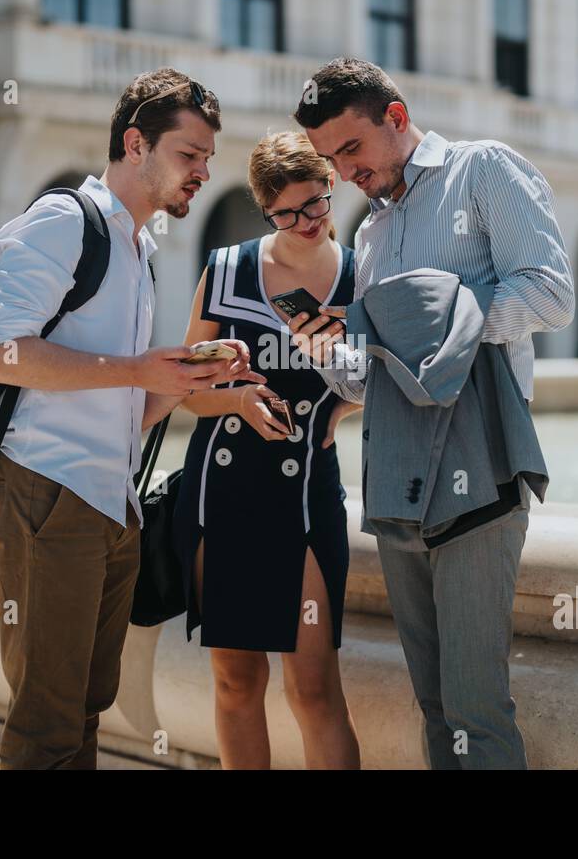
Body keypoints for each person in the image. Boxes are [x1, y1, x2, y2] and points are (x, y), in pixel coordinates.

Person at [0, 68, 262, 769]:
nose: (200, 173)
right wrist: (136, 371)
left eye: (206, 161)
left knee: (86, 710)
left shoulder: (137, 247)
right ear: (136, 143)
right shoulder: (66, 220)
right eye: (188, 155)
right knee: (47, 721)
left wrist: (191, 378)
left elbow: (124, 408)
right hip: (45, 488)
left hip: (110, 500)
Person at [291, 57, 575, 770]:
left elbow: (550, 295)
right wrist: (326, 350)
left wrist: (440, 325)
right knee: (434, 706)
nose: (345, 172)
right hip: (397, 475)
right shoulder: (369, 236)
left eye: (351, 149)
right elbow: (371, 384)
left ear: (396, 116)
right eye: (331, 159)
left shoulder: (484, 170)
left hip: (483, 463)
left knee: (476, 710)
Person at [172, 131, 362, 769]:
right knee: (236, 682)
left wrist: (341, 404)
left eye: (316, 204)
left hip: (308, 493)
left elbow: (396, 373)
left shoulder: (364, 275)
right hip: (225, 492)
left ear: (331, 186)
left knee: (313, 690)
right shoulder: (226, 269)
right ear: (265, 210)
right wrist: (235, 401)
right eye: (287, 213)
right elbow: (186, 391)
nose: (307, 223)